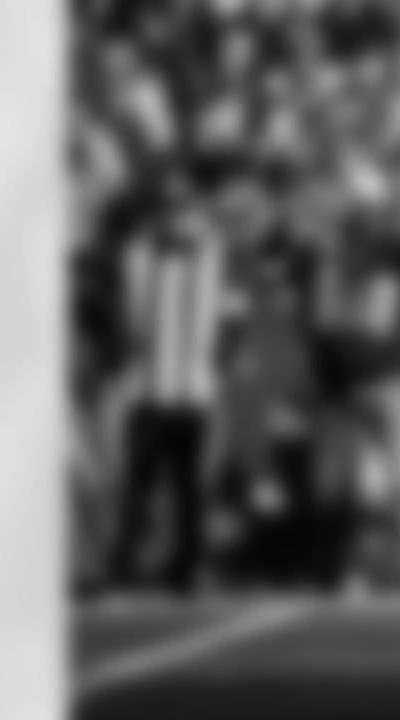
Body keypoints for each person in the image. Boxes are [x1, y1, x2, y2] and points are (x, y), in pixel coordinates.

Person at [106, 189, 238, 595]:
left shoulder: (212, 255)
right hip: (149, 389)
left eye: (186, 213)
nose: (180, 222)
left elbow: (228, 314)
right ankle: (125, 567)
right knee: (138, 485)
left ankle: (188, 568)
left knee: (191, 489)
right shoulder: (140, 256)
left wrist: (220, 368)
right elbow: (127, 316)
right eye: (172, 213)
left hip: (195, 392)